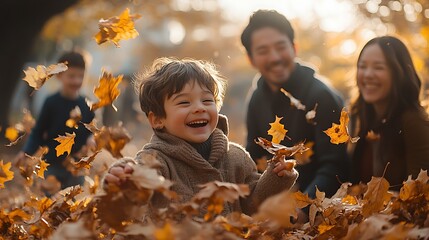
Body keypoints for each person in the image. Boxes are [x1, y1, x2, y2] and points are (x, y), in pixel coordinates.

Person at [103, 57, 298, 215]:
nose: (199, 108)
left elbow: (253, 204)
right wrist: (125, 178)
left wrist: (276, 177)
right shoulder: (156, 160)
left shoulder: (236, 157)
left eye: (207, 100)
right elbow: (138, 190)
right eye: (184, 103)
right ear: (157, 119)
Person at [241, 9, 348, 198]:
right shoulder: (256, 99)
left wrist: (302, 209)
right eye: (263, 51)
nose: (274, 57)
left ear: (294, 48)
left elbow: (336, 166)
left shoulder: (322, 96)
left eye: (281, 46)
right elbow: (253, 161)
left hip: (318, 210)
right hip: (273, 209)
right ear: (251, 59)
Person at [349, 36, 429, 188]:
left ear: (399, 73)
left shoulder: (414, 122)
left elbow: (420, 195)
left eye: (378, 67)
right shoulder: (359, 117)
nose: (367, 74)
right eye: (362, 66)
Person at [16, 51, 95, 189]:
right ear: (59, 75)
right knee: (51, 202)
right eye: (71, 76)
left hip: (76, 166)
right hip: (52, 163)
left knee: (72, 203)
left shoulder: (87, 105)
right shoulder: (51, 102)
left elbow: (90, 130)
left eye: (81, 76)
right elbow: (38, 132)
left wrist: (91, 138)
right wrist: (26, 152)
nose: (76, 81)